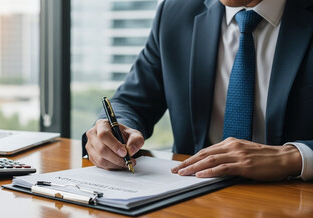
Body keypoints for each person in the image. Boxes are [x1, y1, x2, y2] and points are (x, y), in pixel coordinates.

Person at [83, 0, 313, 181]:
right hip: (190, 195)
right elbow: (131, 101)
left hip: (291, 199)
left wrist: (293, 158)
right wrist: (112, 131)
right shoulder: (176, 12)